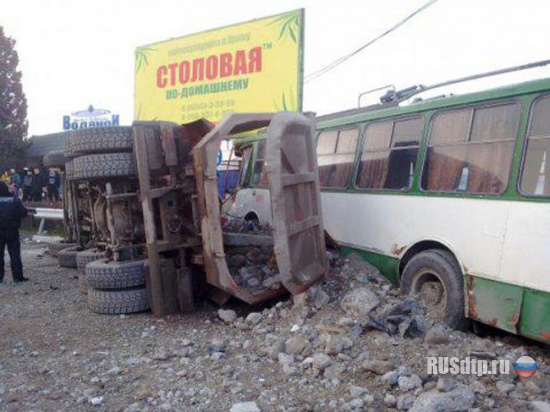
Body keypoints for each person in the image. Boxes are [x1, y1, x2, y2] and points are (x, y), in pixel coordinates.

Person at [0, 181, 29, 283]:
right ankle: (18, 277)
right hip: (12, 230)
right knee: (15, 254)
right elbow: (23, 213)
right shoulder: (14, 200)